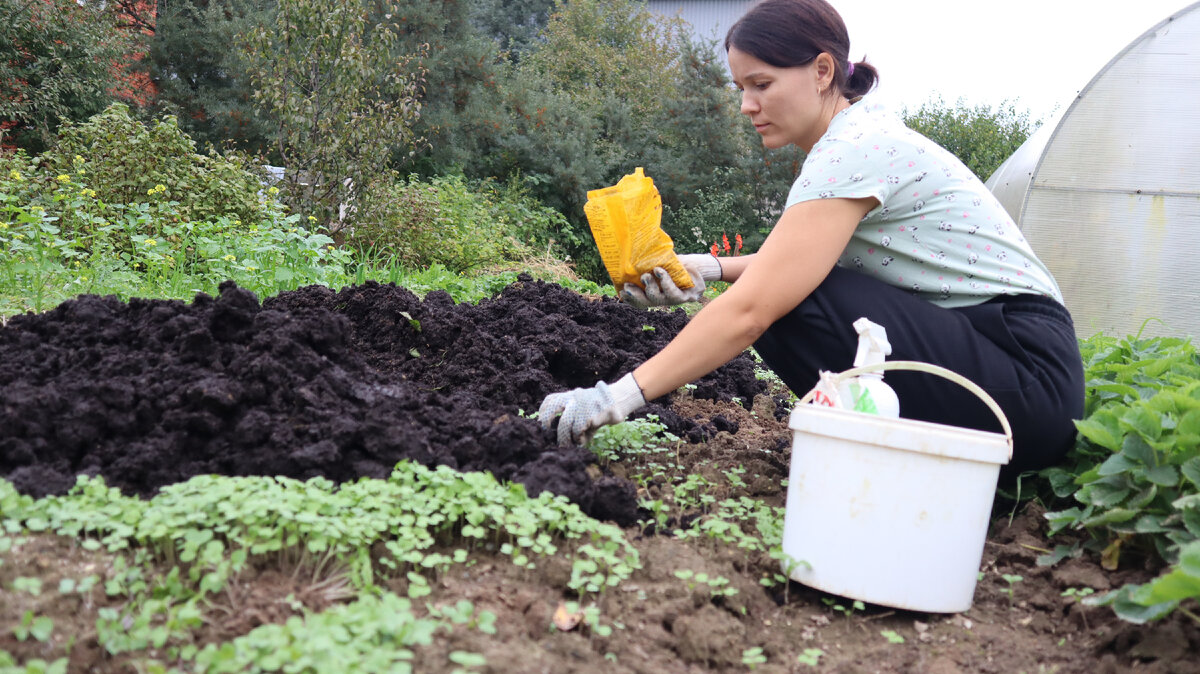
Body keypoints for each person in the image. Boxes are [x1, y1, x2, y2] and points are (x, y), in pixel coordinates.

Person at [539, 0, 1084, 481]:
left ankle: (906, 460)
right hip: (1003, 370)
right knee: (793, 292)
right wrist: (704, 269)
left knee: (786, 305)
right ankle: (903, 458)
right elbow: (792, 263)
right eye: (740, 88)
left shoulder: (853, 150)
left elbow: (759, 304)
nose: (746, 105)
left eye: (761, 84)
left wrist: (617, 396)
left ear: (822, 70)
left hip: (1024, 382)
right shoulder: (857, 137)